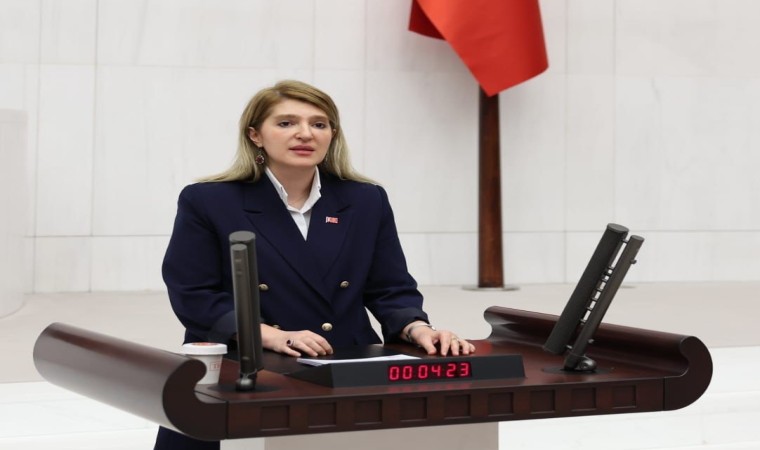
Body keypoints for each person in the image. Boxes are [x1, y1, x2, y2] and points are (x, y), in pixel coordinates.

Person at [154, 80, 475, 450]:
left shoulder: (365, 199)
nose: (305, 134)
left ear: (332, 135)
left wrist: (417, 328)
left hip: (344, 363)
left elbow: (389, 286)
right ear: (255, 135)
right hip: (242, 365)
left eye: (319, 124)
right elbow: (194, 293)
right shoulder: (209, 200)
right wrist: (270, 335)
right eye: (286, 123)